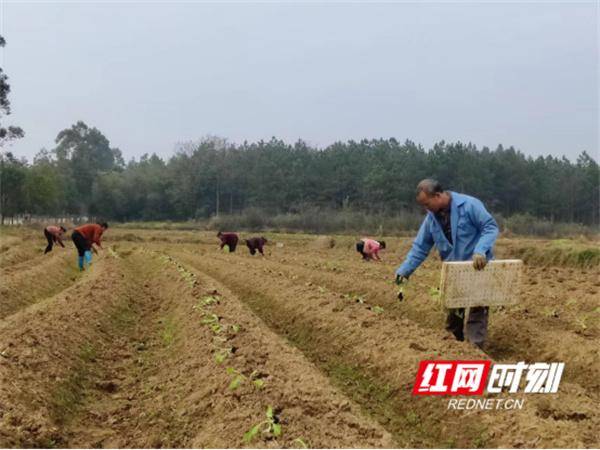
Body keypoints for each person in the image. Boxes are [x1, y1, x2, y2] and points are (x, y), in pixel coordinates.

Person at [394, 179, 499, 349]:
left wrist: (480, 250)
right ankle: (452, 347)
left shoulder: (470, 205)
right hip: (454, 272)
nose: (426, 209)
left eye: (427, 204)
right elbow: (420, 247)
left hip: (478, 267)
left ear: (437, 195)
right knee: (454, 311)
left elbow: (490, 227)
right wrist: (405, 271)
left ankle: (475, 350)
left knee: (477, 309)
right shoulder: (431, 219)